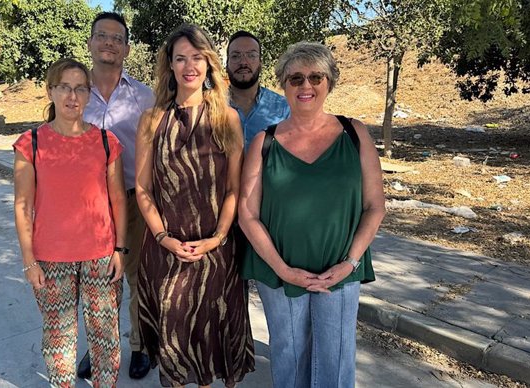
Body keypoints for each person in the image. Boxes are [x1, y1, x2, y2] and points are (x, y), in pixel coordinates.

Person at [239, 42, 386, 388]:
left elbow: (374, 206)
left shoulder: (355, 134)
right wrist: (281, 268)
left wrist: (350, 263)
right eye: (296, 78)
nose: (306, 86)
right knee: (289, 355)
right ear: (283, 85)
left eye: (315, 77)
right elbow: (248, 213)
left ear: (329, 81)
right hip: (280, 274)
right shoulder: (265, 142)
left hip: (340, 270)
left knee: (335, 359)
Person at [135, 24, 255, 387]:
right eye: (181, 58)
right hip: (166, 252)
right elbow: (143, 188)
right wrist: (162, 237)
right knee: (174, 345)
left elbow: (234, 189)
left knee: (209, 343)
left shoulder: (227, 118)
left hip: (217, 253)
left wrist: (217, 238)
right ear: (169, 66)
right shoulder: (152, 120)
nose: (190, 66)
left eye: (197, 57)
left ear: (208, 63)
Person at [13, 58, 127, 387]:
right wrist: (28, 260)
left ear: (89, 95)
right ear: (51, 91)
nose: (72, 96)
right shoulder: (30, 143)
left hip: (101, 257)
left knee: (105, 339)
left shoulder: (107, 142)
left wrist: (120, 248)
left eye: (80, 88)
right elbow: (23, 204)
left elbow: (118, 199)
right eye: (64, 87)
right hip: (50, 260)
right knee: (59, 341)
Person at [78, 11, 155, 380]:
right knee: (96, 278)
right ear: (90, 42)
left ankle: (139, 345)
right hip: (89, 205)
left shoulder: (143, 96)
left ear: (126, 48)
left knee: (137, 276)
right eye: (102, 36)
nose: (109, 42)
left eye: (116, 38)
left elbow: (157, 149)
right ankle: (99, 346)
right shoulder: (74, 93)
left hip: (133, 200)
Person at [226, 30, 289, 150]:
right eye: (235, 56)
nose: (243, 62)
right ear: (226, 64)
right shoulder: (210, 107)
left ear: (260, 63)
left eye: (251, 55)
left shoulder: (284, 109)